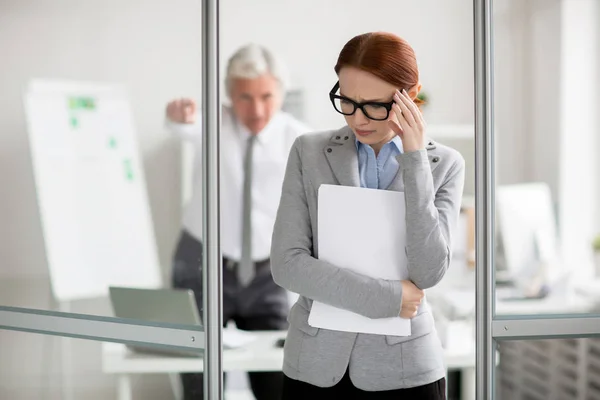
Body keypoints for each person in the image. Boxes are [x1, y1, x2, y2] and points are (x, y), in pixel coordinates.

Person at [270, 32, 465, 399]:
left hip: (406, 369)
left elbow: (429, 271)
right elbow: (287, 264)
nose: (357, 119)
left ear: (412, 94)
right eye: (347, 100)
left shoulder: (445, 164)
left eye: (375, 105)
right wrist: (387, 298)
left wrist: (415, 159)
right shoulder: (308, 151)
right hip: (314, 365)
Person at [166, 44, 311, 400]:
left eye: (266, 95)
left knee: (277, 379)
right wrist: (177, 116)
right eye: (245, 97)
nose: (257, 109)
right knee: (198, 380)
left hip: (268, 274)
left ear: (281, 92)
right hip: (201, 265)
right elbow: (182, 125)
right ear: (230, 95)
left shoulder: (299, 138)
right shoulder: (212, 123)